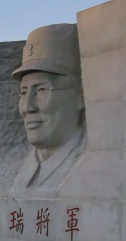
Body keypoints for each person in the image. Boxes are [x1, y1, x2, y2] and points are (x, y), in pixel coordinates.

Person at [11, 24, 87, 191]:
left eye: (41, 90)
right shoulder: (18, 175)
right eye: (23, 92)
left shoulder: (96, 171)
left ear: (80, 95)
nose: (28, 107)